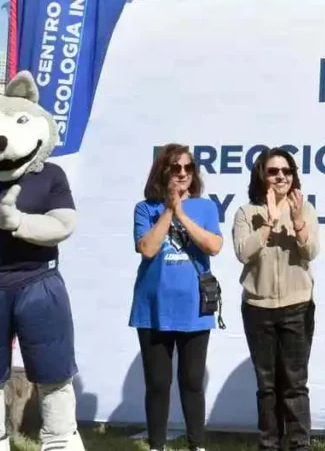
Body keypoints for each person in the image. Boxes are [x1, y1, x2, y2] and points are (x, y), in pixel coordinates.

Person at [130, 143, 224, 451]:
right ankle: (156, 445)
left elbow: (213, 246)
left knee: (192, 382)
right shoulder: (145, 208)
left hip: (194, 307)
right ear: (163, 171)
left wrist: (182, 213)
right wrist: (169, 209)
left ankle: (196, 444)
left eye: (188, 168)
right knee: (158, 384)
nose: (182, 173)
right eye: (175, 168)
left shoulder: (206, 207)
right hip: (154, 307)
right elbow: (147, 248)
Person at [232, 147, 321, 451]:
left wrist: (297, 222)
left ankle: (299, 445)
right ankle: (269, 445)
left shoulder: (304, 208)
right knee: (267, 387)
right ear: (262, 175)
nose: (281, 176)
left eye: (287, 171)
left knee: (295, 385)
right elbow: (243, 252)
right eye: (273, 171)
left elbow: (311, 252)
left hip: (297, 306)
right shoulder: (246, 213)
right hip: (258, 308)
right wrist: (268, 223)